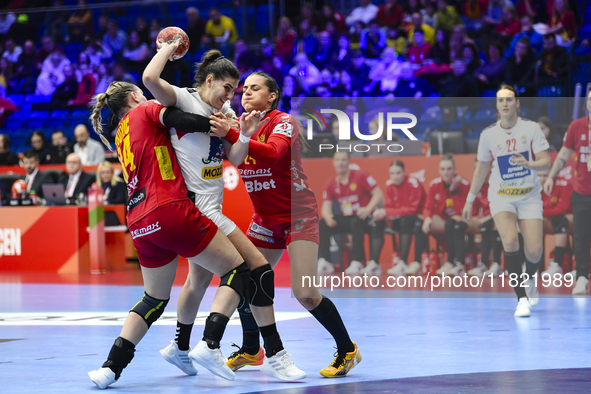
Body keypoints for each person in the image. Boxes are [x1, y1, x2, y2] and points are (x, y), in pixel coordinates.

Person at [86, 81, 279, 389]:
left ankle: (110, 368)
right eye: (143, 93)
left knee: (153, 298)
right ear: (135, 97)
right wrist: (222, 125)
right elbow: (182, 120)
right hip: (170, 210)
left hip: (138, 220)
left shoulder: (120, 133)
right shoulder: (145, 110)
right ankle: (210, 344)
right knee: (239, 270)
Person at [143, 45, 305, 381]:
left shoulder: (226, 111)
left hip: (207, 205)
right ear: (210, 79)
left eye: (237, 89)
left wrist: (241, 132)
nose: (231, 96)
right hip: (200, 208)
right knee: (254, 269)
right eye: (228, 88)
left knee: (198, 280)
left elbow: (235, 156)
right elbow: (149, 78)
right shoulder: (184, 98)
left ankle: (179, 346)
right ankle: (262, 351)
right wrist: (169, 49)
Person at [222, 72, 362, 377]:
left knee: (306, 293)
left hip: (298, 214)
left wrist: (237, 136)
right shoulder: (236, 127)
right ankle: (251, 350)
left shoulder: (283, 121)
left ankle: (347, 349)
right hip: (264, 219)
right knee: (247, 282)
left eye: (254, 88)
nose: (245, 93)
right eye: (243, 89)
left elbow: (273, 154)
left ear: (271, 96)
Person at [463, 84, 550, 317]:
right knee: (510, 241)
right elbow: (481, 170)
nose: (505, 104)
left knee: (534, 253)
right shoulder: (488, 135)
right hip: (501, 196)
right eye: (501, 100)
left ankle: (529, 277)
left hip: (529, 196)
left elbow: (546, 162)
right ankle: (521, 299)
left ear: (517, 103)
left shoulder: (531, 129)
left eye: (509, 100)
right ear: (496, 105)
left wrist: (528, 164)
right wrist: (470, 199)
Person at [543, 87, 591, 295]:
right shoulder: (576, 126)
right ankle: (582, 277)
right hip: (582, 191)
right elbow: (563, 155)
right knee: (580, 235)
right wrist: (552, 176)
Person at [375, 160, 427, 276]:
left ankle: (403, 262)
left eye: (398, 173)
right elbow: (388, 207)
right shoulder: (388, 185)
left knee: (405, 221)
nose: (395, 176)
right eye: (392, 173)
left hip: (419, 217)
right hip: (400, 217)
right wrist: (386, 215)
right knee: (377, 222)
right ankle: (373, 263)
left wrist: (389, 212)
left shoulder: (414, 183)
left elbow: (412, 210)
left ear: (405, 172)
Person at [423, 154, 471, 276]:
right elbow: (428, 206)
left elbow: (463, 211)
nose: (446, 173)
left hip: (463, 220)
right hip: (444, 221)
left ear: (455, 170)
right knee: (426, 224)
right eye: (443, 169)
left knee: (454, 225)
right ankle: (450, 263)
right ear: (439, 170)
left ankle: (458, 264)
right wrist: (427, 218)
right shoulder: (435, 185)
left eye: (449, 169)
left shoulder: (464, 184)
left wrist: (453, 191)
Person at [466, 161, 504, 277]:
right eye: (477, 170)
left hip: (502, 215)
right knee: (484, 225)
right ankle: (482, 264)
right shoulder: (478, 187)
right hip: (487, 219)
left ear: (489, 169)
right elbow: (474, 211)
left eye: (481, 169)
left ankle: (497, 264)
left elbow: (504, 202)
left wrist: (491, 217)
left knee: (491, 225)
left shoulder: (498, 182)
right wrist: (477, 219)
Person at [539, 169, 572, 277]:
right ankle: (529, 264)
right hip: (546, 218)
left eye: (545, 175)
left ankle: (557, 265)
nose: (542, 179)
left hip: (568, 219)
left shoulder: (564, 184)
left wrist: (540, 211)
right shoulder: (533, 187)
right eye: (539, 176)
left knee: (560, 220)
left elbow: (562, 209)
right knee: (530, 221)